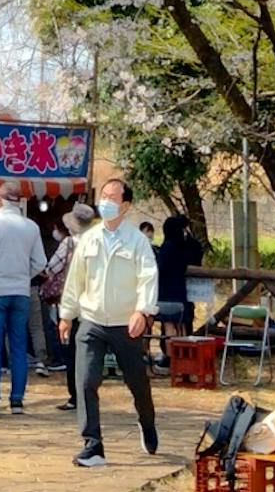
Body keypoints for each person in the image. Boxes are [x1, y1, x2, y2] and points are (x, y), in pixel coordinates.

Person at [59, 177, 161, 468]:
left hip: (125, 322)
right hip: (91, 320)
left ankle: (147, 422)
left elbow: (147, 278)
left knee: (137, 382)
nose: (106, 202)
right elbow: (75, 280)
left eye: (113, 198)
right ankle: (93, 446)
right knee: (86, 381)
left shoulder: (137, 241)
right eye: (103, 196)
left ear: (126, 205)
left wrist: (142, 311)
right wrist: (67, 315)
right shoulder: (89, 239)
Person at [0, 193, 47, 414]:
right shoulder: (31, 227)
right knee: (19, 346)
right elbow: (40, 262)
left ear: (0, 200)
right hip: (21, 291)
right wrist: (23, 275)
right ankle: (17, 400)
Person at [42, 203, 94, 404]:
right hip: (93, 303)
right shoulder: (97, 241)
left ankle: (75, 395)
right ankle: (87, 394)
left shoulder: (69, 243)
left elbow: (52, 267)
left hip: (72, 302)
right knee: (89, 351)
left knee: (72, 349)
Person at [153, 215, 202, 360]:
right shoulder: (187, 248)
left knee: (168, 325)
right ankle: (184, 358)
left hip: (165, 293)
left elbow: (160, 269)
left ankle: (171, 359)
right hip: (182, 293)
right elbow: (197, 257)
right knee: (182, 327)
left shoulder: (166, 248)